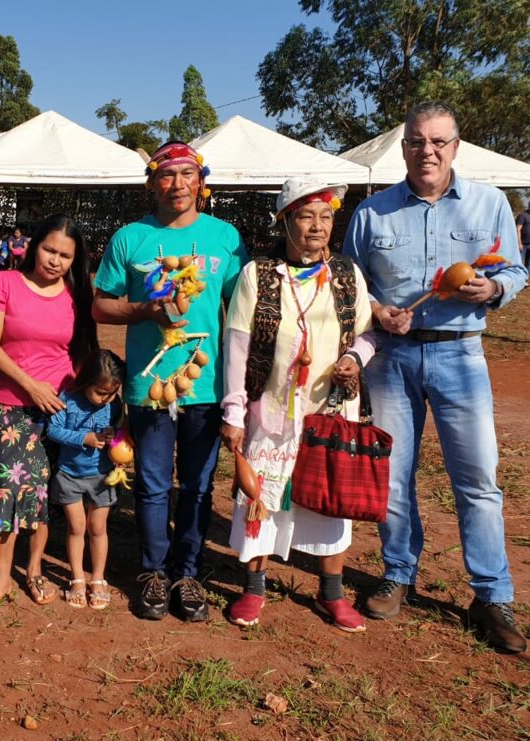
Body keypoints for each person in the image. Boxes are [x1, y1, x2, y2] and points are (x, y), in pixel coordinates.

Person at [343, 101, 529, 653]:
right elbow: (350, 283)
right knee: (393, 478)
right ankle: (398, 574)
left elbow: (514, 271)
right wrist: (377, 311)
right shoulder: (372, 213)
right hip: (393, 361)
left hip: (461, 356)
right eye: (418, 141)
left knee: (477, 479)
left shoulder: (490, 203)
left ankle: (491, 595)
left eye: (439, 142)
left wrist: (492, 289)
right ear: (403, 147)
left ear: (455, 146)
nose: (429, 151)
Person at [93, 142, 248, 622]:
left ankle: (189, 576)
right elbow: (101, 304)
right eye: (167, 175)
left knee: (199, 488)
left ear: (201, 181)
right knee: (155, 486)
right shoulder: (130, 238)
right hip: (151, 385)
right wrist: (147, 309)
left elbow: (241, 311)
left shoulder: (226, 238)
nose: (177, 184)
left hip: (205, 385)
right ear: (151, 182)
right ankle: (153, 574)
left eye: (187, 174)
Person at [221, 179, 374, 632]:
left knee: (333, 497)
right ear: (285, 220)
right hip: (269, 409)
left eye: (326, 217)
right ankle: (253, 587)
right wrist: (233, 412)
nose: (317, 227)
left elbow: (367, 332)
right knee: (263, 496)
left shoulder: (347, 275)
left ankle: (332, 593)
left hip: (330, 408)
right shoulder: (259, 274)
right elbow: (237, 347)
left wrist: (353, 358)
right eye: (306, 216)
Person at [0, 214, 98, 616]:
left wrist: (79, 397)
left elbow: (79, 353)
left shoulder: (78, 297)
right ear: (33, 245)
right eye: (49, 249)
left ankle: (35, 570)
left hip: (60, 411)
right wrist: (32, 386)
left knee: (42, 494)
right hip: (11, 405)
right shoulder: (3, 283)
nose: (55, 260)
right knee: (8, 491)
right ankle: (3, 579)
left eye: (65, 255)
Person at [46, 349, 125, 610]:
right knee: (76, 527)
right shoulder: (68, 398)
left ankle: (98, 577)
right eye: (100, 393)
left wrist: (114, 437)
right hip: (69, 475)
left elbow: (119, 434)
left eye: (111, 393)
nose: (106, 399)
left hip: (102, 476)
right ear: (85, 381)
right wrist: (84, 438)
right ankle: (78, 577)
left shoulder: (114, 404)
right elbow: (53, 429)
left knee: (98, 528)